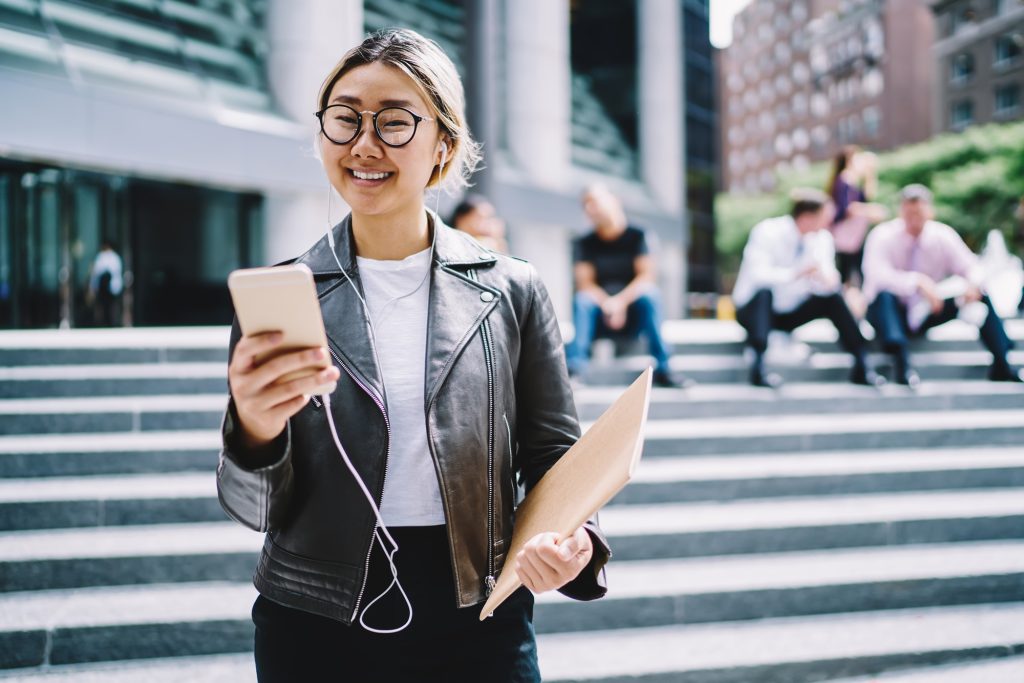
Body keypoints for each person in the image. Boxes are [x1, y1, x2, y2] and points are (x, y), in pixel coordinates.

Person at [217, 29, 609, 683]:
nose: (364, 144)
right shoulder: (283, 294)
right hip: (313, 619)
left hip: (478, 614)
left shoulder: (512, 288)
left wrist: (576, 539)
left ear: (444, 145)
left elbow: (557, 459)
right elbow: (254, 507)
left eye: (394, 122)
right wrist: (254, 430)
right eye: (344, 119)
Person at [864, 184, 1023, 386]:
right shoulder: (882, 235)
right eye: (909, 212)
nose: (914, 218)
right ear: (901, 210)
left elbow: (972, 266)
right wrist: (917, 282)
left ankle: (1002, 363)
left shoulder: (941, 235)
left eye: (919, 212)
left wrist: (972, 284)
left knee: (980, 294)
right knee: (884, 296)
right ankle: (901, 364)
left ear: (930, 211)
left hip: (927, 309)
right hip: (891, 312)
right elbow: (876, 275)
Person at [731, 188, 883, 389]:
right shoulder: (767, 231)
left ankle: (861, 362)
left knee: (834, 298)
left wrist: (829, 280)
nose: (829, 223)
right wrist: (796, 273)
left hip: (791, 310)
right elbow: (758, 275)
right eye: (825, 218)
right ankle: (758, 367)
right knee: (764, 294)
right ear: (807, 217)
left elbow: (829, 276)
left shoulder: (822, 239)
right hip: (754, 309)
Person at [565, 184, 686, 388]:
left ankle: (664, 368)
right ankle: (576, 370)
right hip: (599, 315)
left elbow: (646, 277)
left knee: (651, 295)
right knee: (582, 300)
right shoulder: (584, 242)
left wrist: (619, 303)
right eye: (586, 204)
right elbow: (585, 284)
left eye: (594, 201)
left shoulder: (639, 236)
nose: (590, 208)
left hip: (633, 314)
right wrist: (608, 304)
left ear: (615, 201)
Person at [827, 146, 887, 291]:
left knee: (852, 273)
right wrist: (871, 211)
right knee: (846, 275)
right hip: (845, 237)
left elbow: (867, 196)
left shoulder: (851, 181)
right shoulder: (845, 178)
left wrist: (870, 173)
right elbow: (849, 208)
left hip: (853, 237)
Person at [87, 240, 123, 327]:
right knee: (111, 307)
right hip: (112, 289)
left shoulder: (101, 257)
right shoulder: (115, 257)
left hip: (106, 289)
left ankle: (105, 323)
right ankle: (112, 322)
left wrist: (92, 287)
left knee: (104, 307)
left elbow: (95, 273)